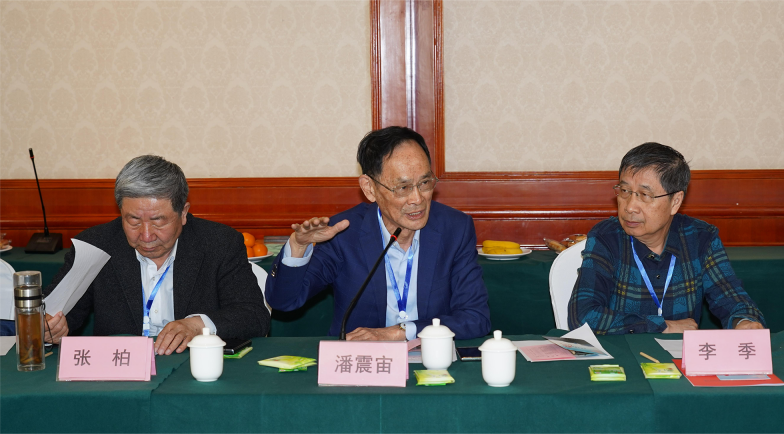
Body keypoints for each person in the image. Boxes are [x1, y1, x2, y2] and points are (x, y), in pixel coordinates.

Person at [265, 126, 491, 340]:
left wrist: (400, 333)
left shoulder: (455, 229)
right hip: (362, 361)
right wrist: (298, 246)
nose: (417, 199)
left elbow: (475, 318)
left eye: (425, 183)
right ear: (369, 188)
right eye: (403, 188)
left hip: (430, 356)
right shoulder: (344, 233)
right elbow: (284, 301)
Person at [43, 155, 270, 354]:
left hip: (191, 365)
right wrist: (50, 328)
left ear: (183, 213)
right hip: (120, 369)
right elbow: (58, 312)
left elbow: (254, 316)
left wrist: (197, 325)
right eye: (133, 220)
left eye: (158, 221)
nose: (146, 235)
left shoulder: (219, 243)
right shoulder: (95, 245)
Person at [568, 142, 765, 334]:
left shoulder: (701, 238)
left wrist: (745, 321)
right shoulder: (606, 238)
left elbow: (733, 299)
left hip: (680, 355)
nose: (630, 207)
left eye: (645, 194)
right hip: (621, 352)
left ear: (675, 201)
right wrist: (661, 326)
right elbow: (583, 316)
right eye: (625, 191)